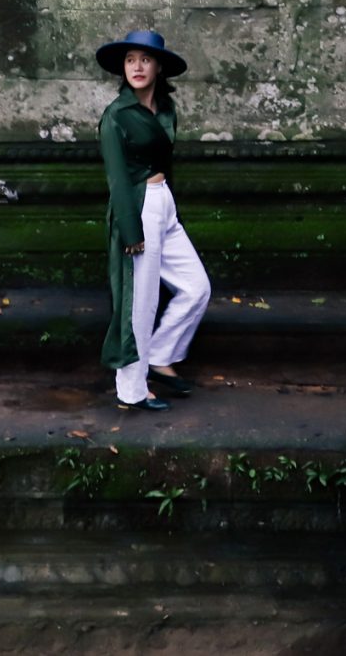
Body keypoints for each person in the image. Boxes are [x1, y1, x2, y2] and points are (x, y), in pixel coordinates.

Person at [95, 29, 211, 412]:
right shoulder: (116, 116)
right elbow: (116, 177)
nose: (137, 67)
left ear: (159, 67)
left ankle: (162, 355)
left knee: (197, 288)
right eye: (130, 60)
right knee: (139, 304)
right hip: (137, 206)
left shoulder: (165, 110)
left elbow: (166, 164)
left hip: (164, 205)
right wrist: (131, 229)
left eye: (145, 60)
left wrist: (171, 211)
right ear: (123, 68)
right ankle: (131, 390)